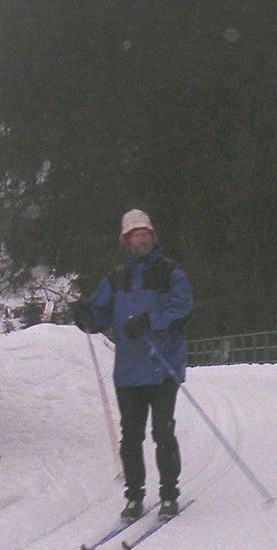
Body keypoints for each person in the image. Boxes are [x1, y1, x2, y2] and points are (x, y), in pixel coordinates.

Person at [72, 209, 194, 521]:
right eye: (134, 234)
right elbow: (98, 312)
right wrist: (85, 315)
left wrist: (149, 321)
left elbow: (182, 309)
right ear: (127, 241)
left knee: (162, 432)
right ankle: (134, 497)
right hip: (128, 370)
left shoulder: (170, 272)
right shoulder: (116, 277)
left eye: (145, 233)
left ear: (152, 236)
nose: (141, 238)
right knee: (131, 436)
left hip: (162, 364)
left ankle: (169, 495)